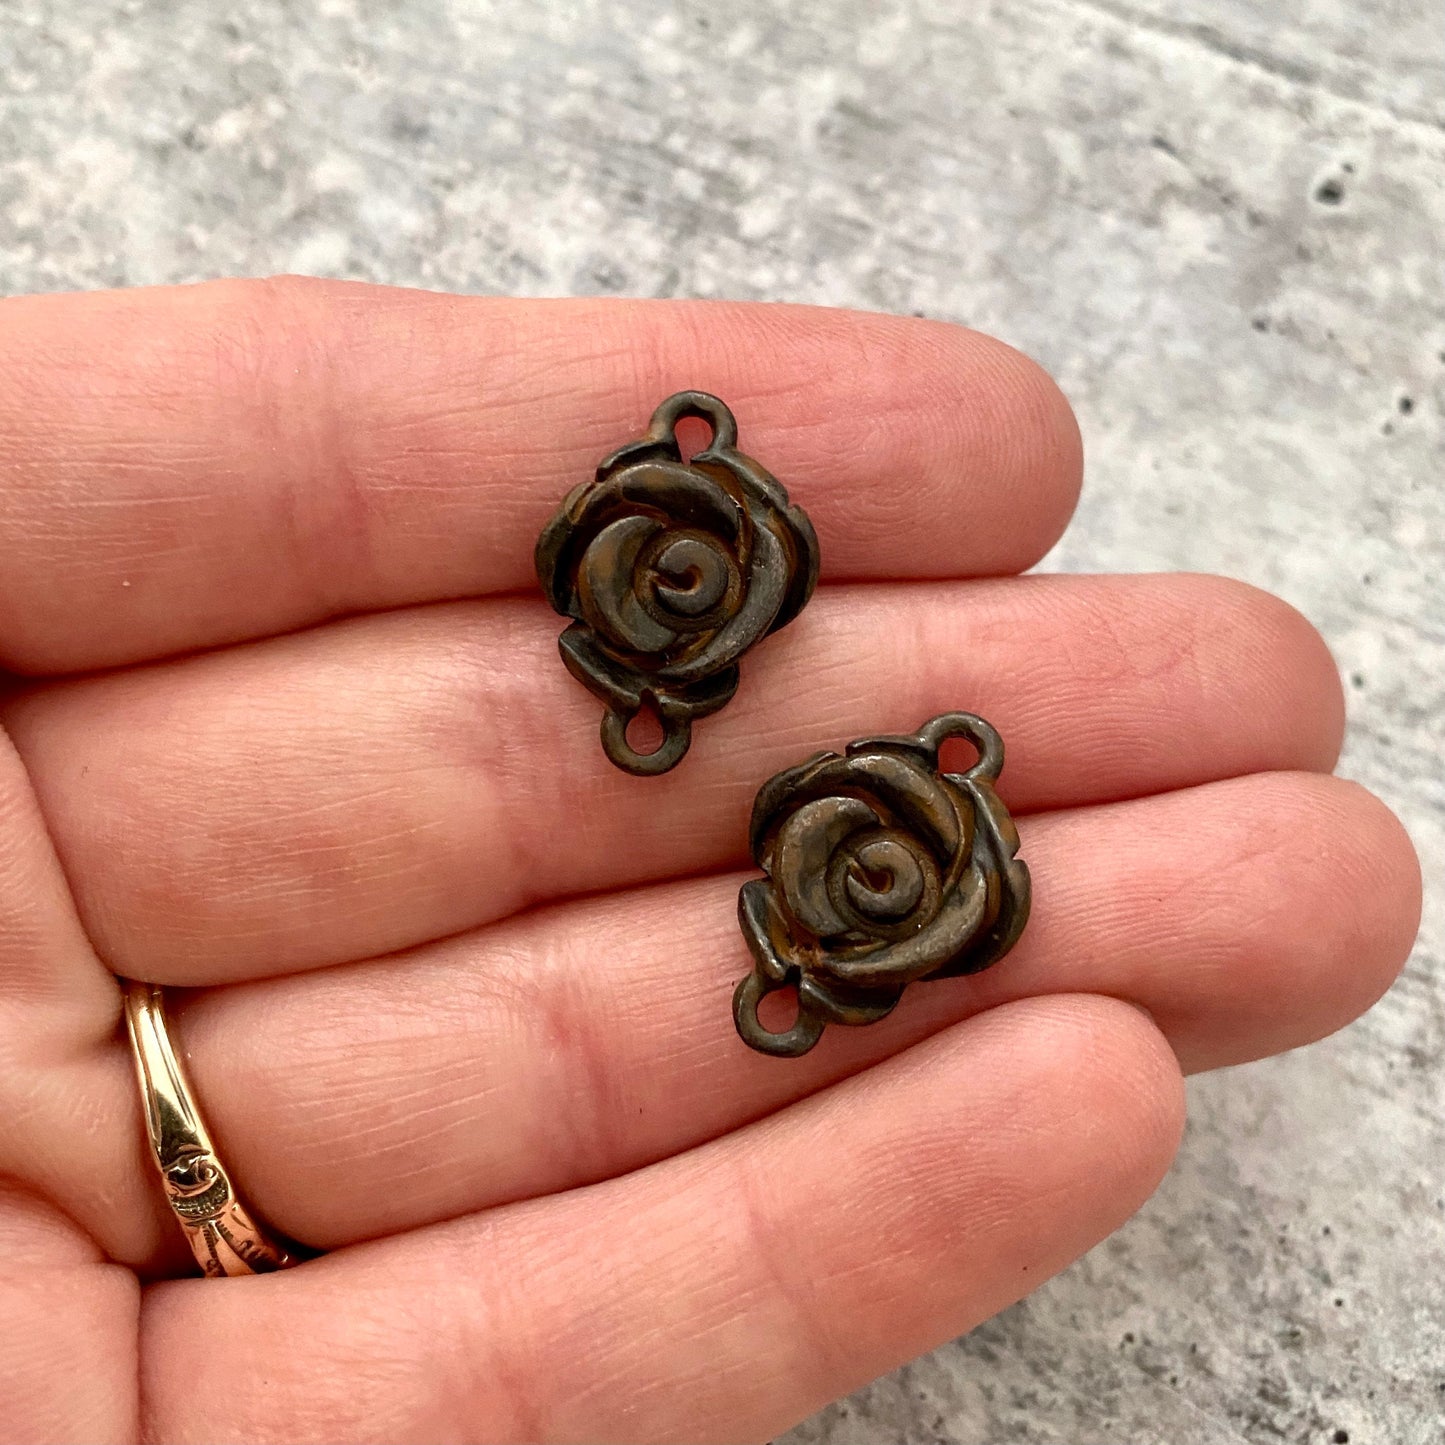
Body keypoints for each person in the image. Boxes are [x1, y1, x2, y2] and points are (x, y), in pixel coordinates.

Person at [0, 278, 1421, 1444]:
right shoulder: (680, 652)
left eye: (699, 576)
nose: (679, 579)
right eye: (671, 572)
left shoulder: (861, 835)